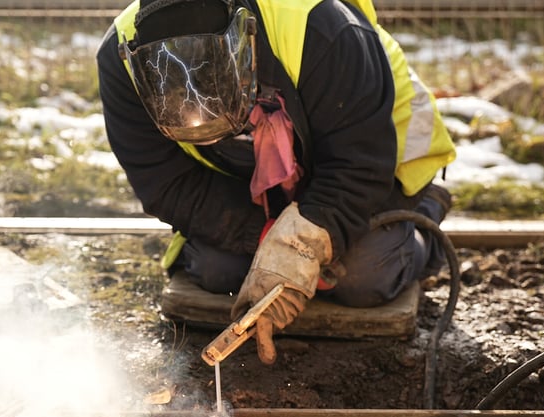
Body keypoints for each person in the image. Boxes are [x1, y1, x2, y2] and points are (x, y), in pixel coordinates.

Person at [96, 0, 456, 365]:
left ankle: (425, 217)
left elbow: (357, 167)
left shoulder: (320, 27)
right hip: (256, 184)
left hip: (374, 164)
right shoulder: (119, 55)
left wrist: (303, 246)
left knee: (364, 278)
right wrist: (271, 242)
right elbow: (165, 182)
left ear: (242, 35)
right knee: (218, 272)